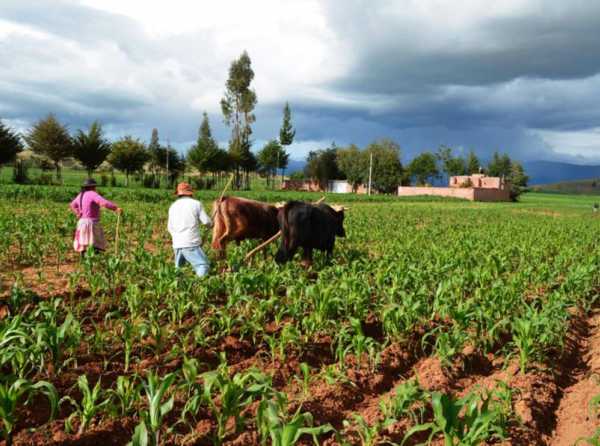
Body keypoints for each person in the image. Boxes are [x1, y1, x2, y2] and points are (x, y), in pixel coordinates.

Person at [167, 182, 212, 277]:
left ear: (178, 194)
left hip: (177, 244)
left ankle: (176, 288)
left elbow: (169, 228)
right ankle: (199, 287)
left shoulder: (173, 206)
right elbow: (206, 222)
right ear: (190, 193)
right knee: (203, 266)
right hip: (190, 242)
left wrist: (177, 238)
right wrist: (212, 224)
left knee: (179, 269)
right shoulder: (196, 204)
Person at [70, 178, 122, 255]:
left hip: (82, 222)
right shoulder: (92, 194)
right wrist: (115, 208)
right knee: (94, 243)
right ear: (92, 187)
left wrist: (78, 213)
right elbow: (104, 203)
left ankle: (85, 262)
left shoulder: (80, 195)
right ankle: (94, 262)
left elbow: (72, 205)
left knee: (84, 243)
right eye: (94, 186)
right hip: (91, 223)